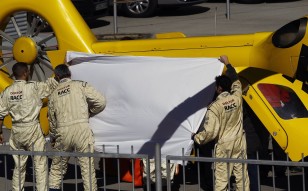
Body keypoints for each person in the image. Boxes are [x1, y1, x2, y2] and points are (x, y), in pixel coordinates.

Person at [191, 55, 250, 191]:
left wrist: (196, 137)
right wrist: (228, 63)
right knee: (242, 177)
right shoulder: (237, 97)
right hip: (239, 142)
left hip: (224, 145)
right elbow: (236, 81)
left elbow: (210, 133)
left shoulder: (214, 107)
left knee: (222, 180)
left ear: (218, 89)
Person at [0, 62, 58, 191]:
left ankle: (17, 189)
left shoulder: (7, 91)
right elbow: (51, 85)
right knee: (40, 163)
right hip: (32, 128)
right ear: (26, 73)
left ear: (14, 74)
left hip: (16, 130)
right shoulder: (34, 87)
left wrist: (0, 133)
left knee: (19, 164)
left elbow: (0, 114)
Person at [48, 64, 106, 191]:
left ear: (57, 76)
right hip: (82, 129)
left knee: (57, 168)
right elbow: (101, 102)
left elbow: (52, 120)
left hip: (63, 132)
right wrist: (89, 112)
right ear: (69, 74)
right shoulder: (80, 85)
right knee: (87, 168)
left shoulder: (53, 94)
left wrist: (53, 137)